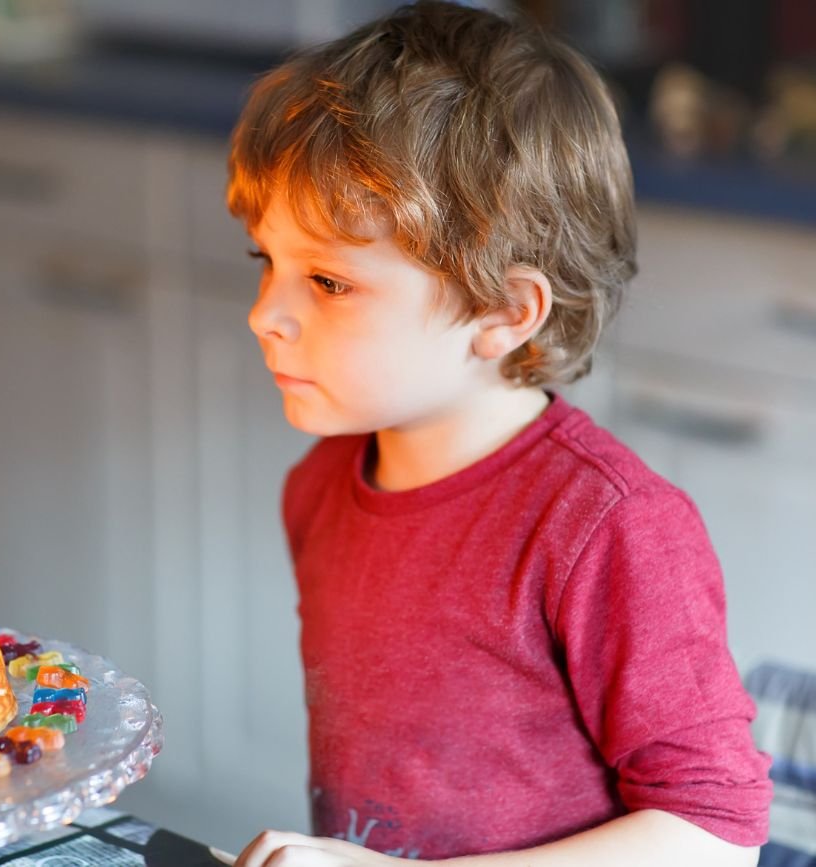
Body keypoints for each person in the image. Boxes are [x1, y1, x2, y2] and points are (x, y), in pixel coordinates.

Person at [224, 2, 773, 865]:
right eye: (267, 262)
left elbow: (715, 833)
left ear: (505, 312)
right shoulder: (321, 485)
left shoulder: (610, 527)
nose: (265, 316)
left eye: (327, 281)